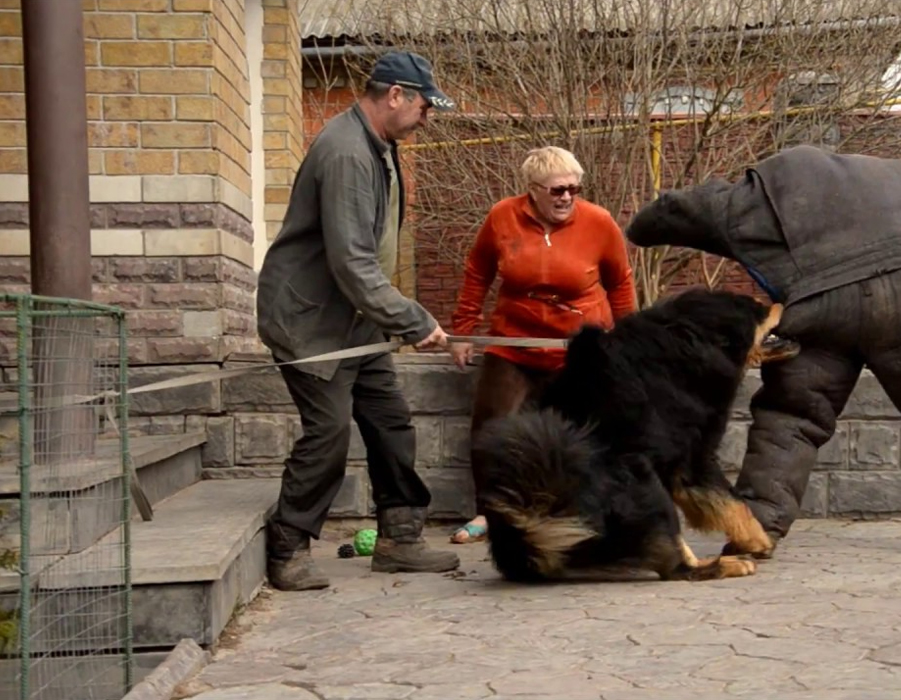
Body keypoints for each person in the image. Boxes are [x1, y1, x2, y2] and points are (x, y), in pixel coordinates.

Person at [622, 144, 901, 555]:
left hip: (818, 308)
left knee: (790, 416)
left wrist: (638, 231)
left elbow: (676, 210)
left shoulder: (755, 195)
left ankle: (758, 527)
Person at [255, 50, 462, 591]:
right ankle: (289, 546)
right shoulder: (347, 152)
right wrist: (413, 319)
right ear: (395, 95)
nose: (427, 118)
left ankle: (399, 538)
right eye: (423, 107)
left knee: (390, 422)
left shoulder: (379, 145)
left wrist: (393, 317)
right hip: (310, 321)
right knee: (328, 432)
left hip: (353, 320)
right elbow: (351, 260)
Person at [447, 145, 638, 544]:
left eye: (574, 189)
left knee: (589, 430)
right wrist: (464, 330)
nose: (567, 197)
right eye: (557, 190)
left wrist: (627, 340)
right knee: (492, 428)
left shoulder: (599, 223)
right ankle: (489, 513)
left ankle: (590, 510)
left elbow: (620, 283)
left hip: (580, 347)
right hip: (515, 341)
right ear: (532, 190)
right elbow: (477, 272)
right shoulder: (503, 217)